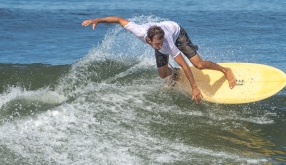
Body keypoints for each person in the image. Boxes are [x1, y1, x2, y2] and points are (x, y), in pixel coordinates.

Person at [82, 16, 236, 103]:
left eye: (161, 43)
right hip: (162, 36)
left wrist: (194, 86)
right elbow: (118, 20)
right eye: (157, 44)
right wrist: (97, 20)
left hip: (177, 33)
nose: (160, 45)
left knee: (198, 64)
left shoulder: (166, 42)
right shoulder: (140, 31)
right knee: (163, 74)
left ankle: (225, 70)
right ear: (148, 40)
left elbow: (185, 64)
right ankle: (174, 73)